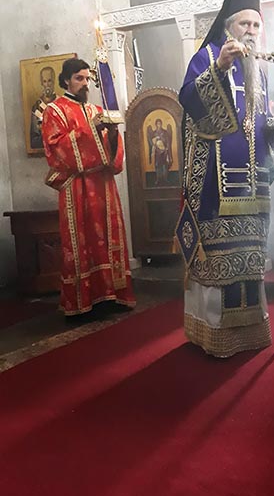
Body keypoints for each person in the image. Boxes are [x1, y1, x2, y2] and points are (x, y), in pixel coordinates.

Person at [177, 0, 274, 358]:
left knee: (250, 256)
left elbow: (255, 125)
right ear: (228, 27)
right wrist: (220, 68)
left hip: (252, 182)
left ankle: (251, 331)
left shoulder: (258, 71)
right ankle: (213, 332)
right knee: (218, 258)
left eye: (256, 25)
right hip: (217, 181)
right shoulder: (207, 57)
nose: (251, 31)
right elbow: (191, 103)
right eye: (244, 23)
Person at [41, 57, 135, 316]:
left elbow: (112, 152)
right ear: (66, 81)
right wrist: (90, 131)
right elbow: (56, 149)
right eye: (79, 78)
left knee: (108, 239)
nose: (85, 83)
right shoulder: (55, 111)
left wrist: (112, 133)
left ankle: (112, 295)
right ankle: (84, 302)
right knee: (82, 242)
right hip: (77, 187)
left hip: (104, 185)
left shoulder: (96, 110)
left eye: (87, 79)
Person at [30, 66, 58, 148]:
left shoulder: (61, 104)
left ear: (54, 81)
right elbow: (34, 141)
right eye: (44, 81)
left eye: (49, 81)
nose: (47, 85)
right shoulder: (37, 107)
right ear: (42, 83)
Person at [147, 118, 173, 185]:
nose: (159, 125)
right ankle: (158, 179)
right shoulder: (154, 133)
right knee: (158, 165)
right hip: (157, 151)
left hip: (164, 151)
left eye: (160, 123)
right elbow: (151, 141)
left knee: (165, 165)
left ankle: (165, 178)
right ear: (156, 125)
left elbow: (168, 141)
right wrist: (155, 141)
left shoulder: (165, 132)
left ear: (161, 124)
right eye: (157, 124)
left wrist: (162, 140)